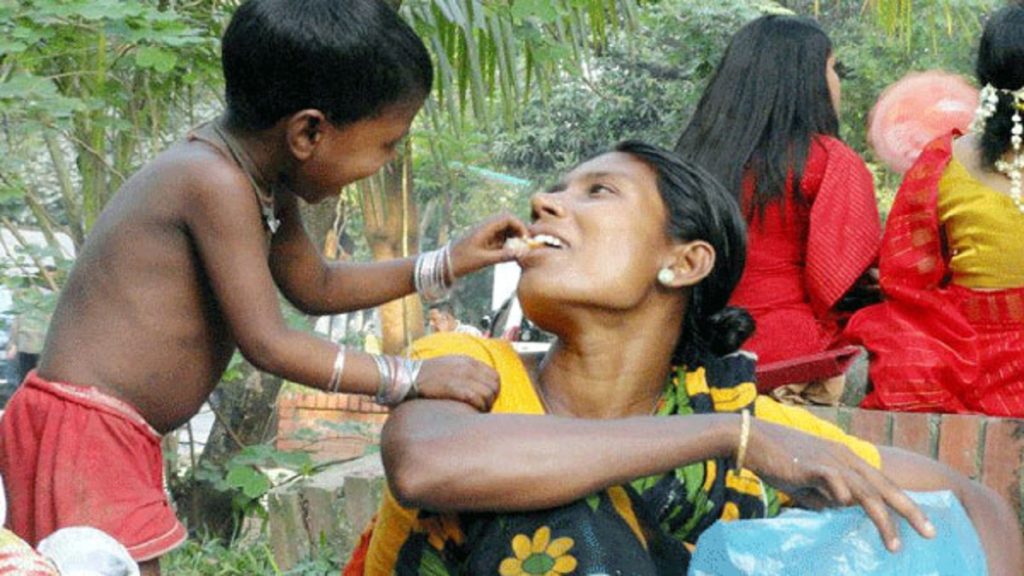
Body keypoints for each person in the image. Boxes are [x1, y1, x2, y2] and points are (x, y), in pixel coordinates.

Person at [0, 0, 527, 572]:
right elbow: (269, 344)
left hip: (108, 429)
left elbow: (317, 286)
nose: (387, 160)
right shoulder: (213, 182)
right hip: (86, 429)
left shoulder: (261, 182)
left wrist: (447, 262)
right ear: (309, 131)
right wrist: (411, 378)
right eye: (386, 143)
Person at [345, 142, 1021, 574]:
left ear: (684, 262)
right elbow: (427, 465)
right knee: (553, 514)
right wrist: (730, 439)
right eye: (557, 191)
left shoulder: (736, 416)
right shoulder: (470, 366)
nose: (543, 203)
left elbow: (974, 499)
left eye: (597, 191)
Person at [675, 15, 882, 403]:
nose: (837, 81)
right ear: (807, 80)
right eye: (833, 68)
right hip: (787, 357)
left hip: (684, 350)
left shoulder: (686, 163)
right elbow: (839, 281)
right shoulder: (828, 161)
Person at [845, 5, 1024, 417]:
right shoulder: (942, 162)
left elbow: (906, 278)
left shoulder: (945, 160)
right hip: (965, 353)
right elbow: (909, 286)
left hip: (970, 354)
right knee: (909, 360)